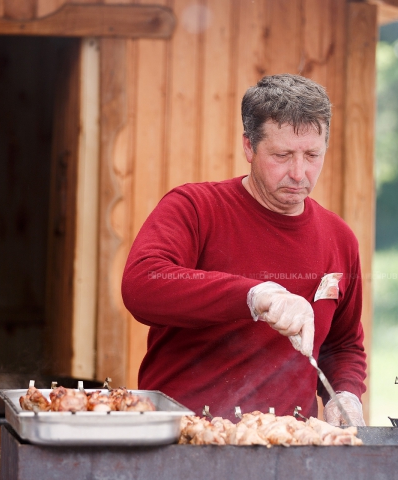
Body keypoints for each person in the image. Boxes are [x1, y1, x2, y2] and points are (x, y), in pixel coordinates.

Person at [121, 74, 367, 426]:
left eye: (312, 155)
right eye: (282, 155)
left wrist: (344, 393)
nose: (299, 173)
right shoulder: (195, 207)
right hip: (187, 436)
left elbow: (343, 345)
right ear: (249, 147)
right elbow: (141, 285)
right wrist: (254, 295)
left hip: (288, 443)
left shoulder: (339, 237)